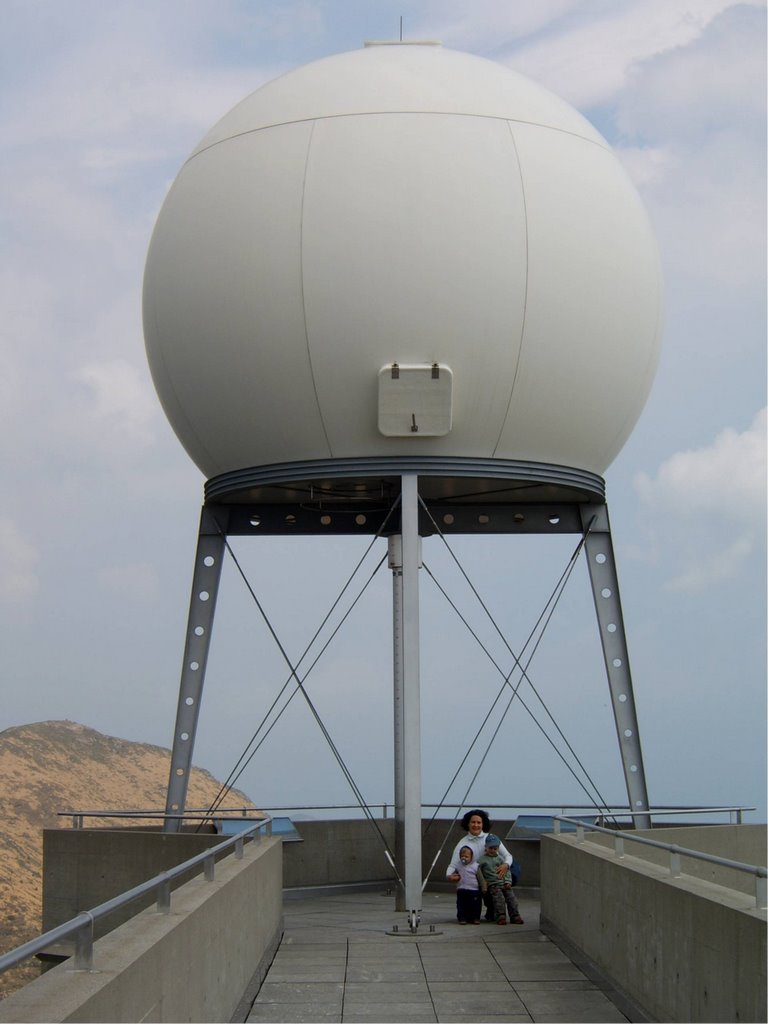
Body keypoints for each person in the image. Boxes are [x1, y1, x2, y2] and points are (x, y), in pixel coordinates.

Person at [445, 809, 519, 921]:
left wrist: (505, 865)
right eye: (473, 822)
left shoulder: (491, 838)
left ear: (483, 824)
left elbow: (508, 856)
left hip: (494, 879)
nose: (476, 825)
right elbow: (453, 865)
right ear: (468, 824)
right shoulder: (463, 843)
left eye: (479, 822)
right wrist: (449, 875)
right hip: (476, 881)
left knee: (502, 897)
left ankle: (497, 912)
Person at [476, 834, 524, 925]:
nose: (493, 850)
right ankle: (500, 916)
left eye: (495, 848)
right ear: (486, 847)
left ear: (498, 849)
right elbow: (479, 873)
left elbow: (507, 871)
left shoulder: (501, 859)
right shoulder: (481, 860)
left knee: (512, 899)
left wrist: (508, 881)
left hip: (505, 883)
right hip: (493, 884)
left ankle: (515, 916)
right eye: (490, 848)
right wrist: (483, 883)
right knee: (499, 900)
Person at [447, 844, 481, 924]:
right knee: (461, 905)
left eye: (466, 856)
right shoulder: (458, 866)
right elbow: (455, 874)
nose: (464, 858)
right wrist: (452, 877)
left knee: (475, 905)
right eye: (462, 856)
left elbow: (480, 878)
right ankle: (462, 918)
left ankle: (475, 918)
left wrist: (483, 887)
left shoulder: (475, 866)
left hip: (473, 890)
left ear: (471, 857)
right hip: (461, 889)